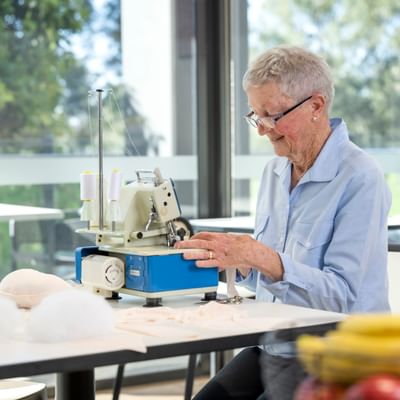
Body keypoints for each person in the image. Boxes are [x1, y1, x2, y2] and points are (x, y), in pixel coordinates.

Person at [175, 45, 391, 399]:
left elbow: (342, 297)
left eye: (272, 115)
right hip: (277, 345)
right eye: (256, 116)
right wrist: (232, 262)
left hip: (340, 354)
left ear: (316, 107)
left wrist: (261, 258)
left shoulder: (360, 177)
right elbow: (275, 272)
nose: (262, 130)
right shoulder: (275, 172)